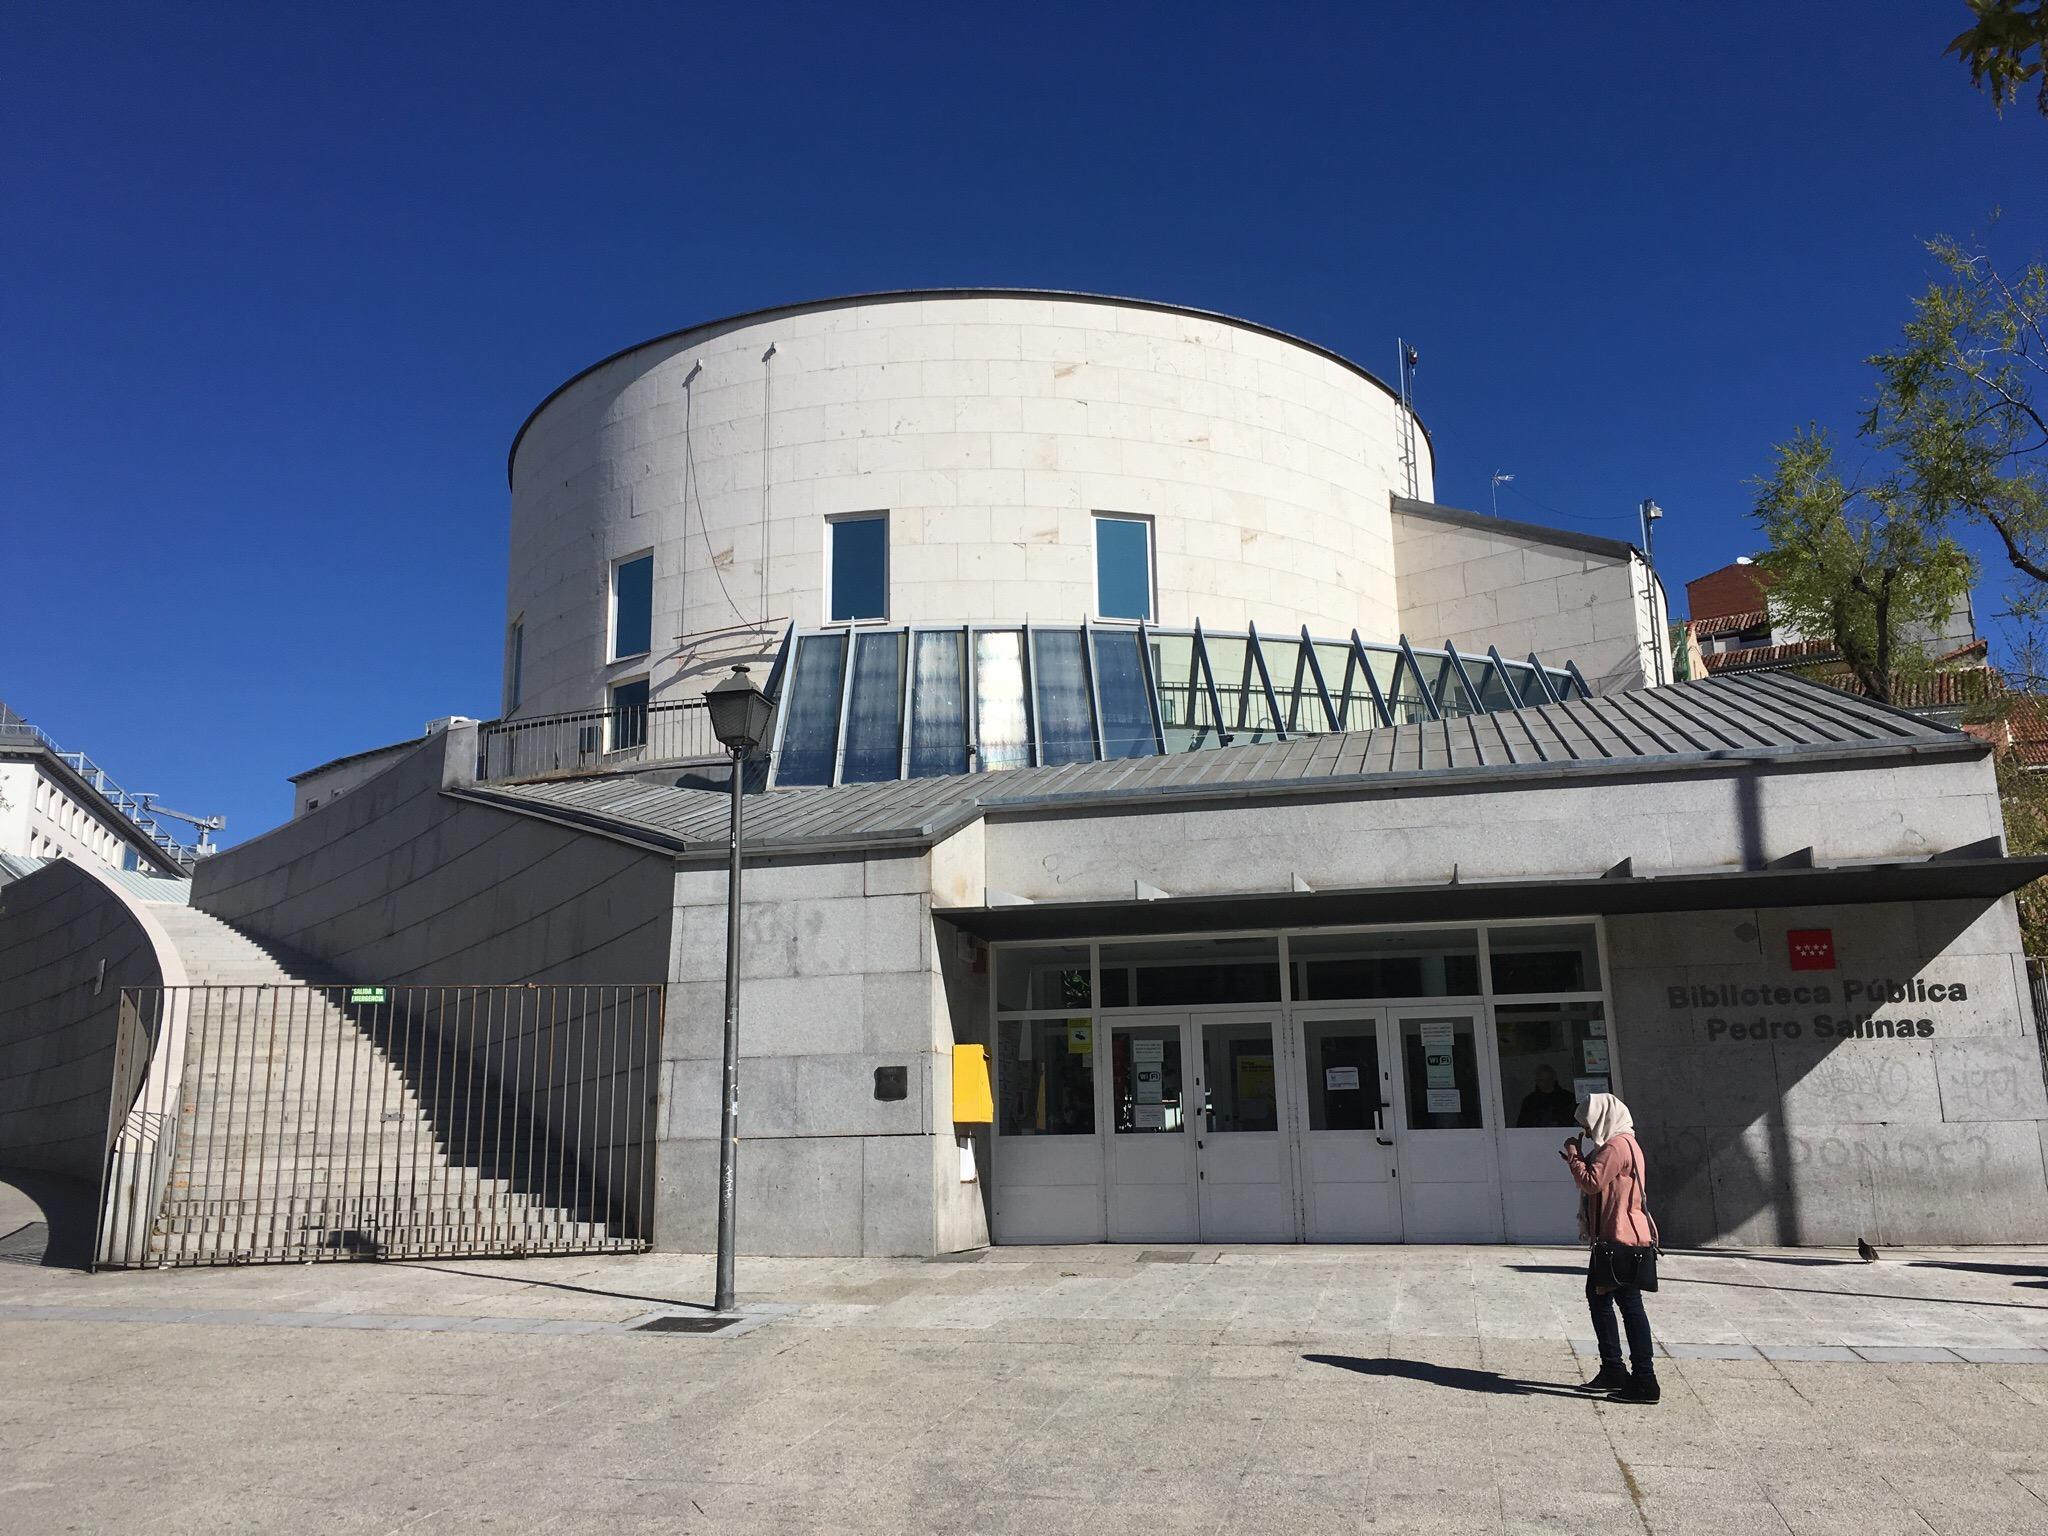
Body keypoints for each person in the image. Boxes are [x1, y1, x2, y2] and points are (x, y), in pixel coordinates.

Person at [1560, 1092, 1660, 1403]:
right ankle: (1614, 1369)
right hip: (1615, 1237)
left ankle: (1644, 1379)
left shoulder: (1616, 1146)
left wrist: (1574, 1155)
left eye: (1587, 1125)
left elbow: (1592, 1182)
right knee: (1600, 1299)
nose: (1586, 1132)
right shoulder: (1622, 1143)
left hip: (1620, 1239)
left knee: (1629, 1306)